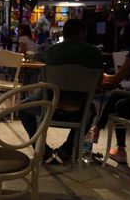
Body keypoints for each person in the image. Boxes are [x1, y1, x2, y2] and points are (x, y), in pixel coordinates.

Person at [19, 18, 103, 164]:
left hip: (50, 105)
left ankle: (43, 152)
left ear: (64, 33)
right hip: (78, 109)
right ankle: (66, 151)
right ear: (83, 33)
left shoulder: (53, 51)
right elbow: (98, 84)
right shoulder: (95, 54)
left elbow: (42, 64)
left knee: (22, 109)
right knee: (91, 111)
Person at [87, 28, 130, 163]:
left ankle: (121, 150)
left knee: (118, 106)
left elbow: (116, 79)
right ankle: (97, 128)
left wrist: (103, 76)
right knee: (116, 94)